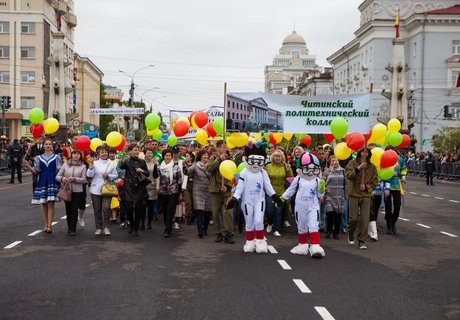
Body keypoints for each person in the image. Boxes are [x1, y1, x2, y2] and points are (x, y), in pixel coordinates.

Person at [227, 142, 281, 253]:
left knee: (258, 220)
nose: (256, 164)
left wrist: (274, 196)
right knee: (249, 222)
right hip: (247, 201)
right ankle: (250, 241)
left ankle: (260, 241)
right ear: (247, 159)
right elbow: (240, 187)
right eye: (253, 160)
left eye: (259, 161)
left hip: (259, 200)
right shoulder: (244, 172)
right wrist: (235, 198)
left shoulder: (263, 172)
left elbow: (268, 185)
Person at [280, 152, 326, 258]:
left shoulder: (318, 180)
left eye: (313, 169)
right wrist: (281, 199)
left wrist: (322, 189)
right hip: (300, 206)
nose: (310, 172)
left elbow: (320, 195)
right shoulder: (298, 179)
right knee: (302, 226)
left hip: (313, 206)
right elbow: (290, 190)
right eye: (307, 169)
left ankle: (315, 245)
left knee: (314, 225)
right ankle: (303, 245)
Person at [23, 137, 62, 233]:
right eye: (46, 144)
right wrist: (28, 166)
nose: (48, 146)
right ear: (43, 146)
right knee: (44, 203)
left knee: (50, 203)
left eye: (49, 144)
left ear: (52, 146)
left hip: (53, 181)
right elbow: (36, 171)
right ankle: (45, 224)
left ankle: (49, 226)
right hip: (43, 181)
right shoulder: (38, 158)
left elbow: (60, 170)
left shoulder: (57, 157)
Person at [345, 147, 378, 250]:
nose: (365, 154)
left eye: (367, 152)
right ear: (359, 153)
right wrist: (358, 169)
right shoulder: (352, 163)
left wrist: (367, 187)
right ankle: (351, 234)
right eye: (363, 151)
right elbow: (349, 176)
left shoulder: (372, 167)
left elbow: (375, 181)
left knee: (364, 220)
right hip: (353, 194)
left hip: (366, 195)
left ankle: (361, 241)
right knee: (353, 218)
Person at [207, 140, 235, 244]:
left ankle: (228, 233)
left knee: (227, 212)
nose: (224, 149)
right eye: (222, 147)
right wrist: (219, 159)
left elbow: (234, 176)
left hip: (226, 190)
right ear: (218, 148)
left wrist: (228, 187)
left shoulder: (230, 160)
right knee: (215, 212)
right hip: (215, 190)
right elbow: (209, 168)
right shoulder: (213, 158)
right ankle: (218, 233)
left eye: (225, 147)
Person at [87, 145, 118, 236]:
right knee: (97, 209)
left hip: (107, 189)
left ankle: (106, 227)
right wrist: (91, 166)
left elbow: (116, 175)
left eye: (105, 152)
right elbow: (89, 175)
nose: (104, 154)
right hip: (95, 189)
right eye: (102, 152)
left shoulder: (111, 163)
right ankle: (98, 227)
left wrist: (108, 176)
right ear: (98, 154)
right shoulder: (95, 163)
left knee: (106, 208)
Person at [62, 133, 92, 228]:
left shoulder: (84, 149)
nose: (77, 140)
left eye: (79, 139)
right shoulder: (66, 149)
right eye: (75, 139)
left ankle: (81, 216)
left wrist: (92, 165)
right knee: (70, 201)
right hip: (69, 178)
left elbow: (88, 160)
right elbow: (64, 161)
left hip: (80, 177)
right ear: (71, 140)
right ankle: (71, 224)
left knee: (82, 199)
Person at [120, 144, 150, 236]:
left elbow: (147, 173)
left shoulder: (142, 162)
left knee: (138, 209)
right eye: (135, 150)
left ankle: (136, 228)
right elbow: (121, 167)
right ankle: (131, 224)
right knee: (128, 208)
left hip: (140, 188)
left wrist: (142, 170)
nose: (137, 152)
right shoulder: (127, 161)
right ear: (130, 151)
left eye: (138, 150)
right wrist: (123, 159)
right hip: (129, 187)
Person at [55, 150, 87, 235]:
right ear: (71, 155)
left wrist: (75, 179)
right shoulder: (65, 165)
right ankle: (69, 227)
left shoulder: (83, 166)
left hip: (77, 191)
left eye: (78, 154)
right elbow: (57, 176)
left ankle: (73, 229)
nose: (76, 156)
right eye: (74, 154)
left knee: (74, 209)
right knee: (68, 209)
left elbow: (84, 179)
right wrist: (63, 179)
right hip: (67, 190)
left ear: (80, 156)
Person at [264, 149, 293, 237]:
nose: (277, 158)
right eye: (276, 156)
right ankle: (270, 223)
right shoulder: (268, 166)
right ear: (273, 157)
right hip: (270, 192)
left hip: (281, 192)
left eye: (279, 156)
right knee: (269, 211)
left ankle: (277, 229)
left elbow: (290, 178)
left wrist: (289, 170)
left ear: (282, 158)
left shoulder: (285, 166)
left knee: (278, 211)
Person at [185, 150, 212, 238]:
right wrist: (186, 165)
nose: (206, 157)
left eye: (207, 155)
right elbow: (187, 172)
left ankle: (205, 229)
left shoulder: (211, 166)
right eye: (204, 155)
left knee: (207, 211)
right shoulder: (195, 166)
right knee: (199, 211)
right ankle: (200, 230)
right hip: (198, 191)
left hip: (208, 191)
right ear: (200, 156)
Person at [158, 148, 182, 238]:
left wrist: (180, 193)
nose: (168, 157)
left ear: (171, 157)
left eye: (169, 156)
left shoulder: (176, 167)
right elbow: (157, 178)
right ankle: (168, 225)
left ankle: (167, 229)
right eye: (166, 156)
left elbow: (179, 180)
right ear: (163, 157)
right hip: (163, 191)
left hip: (174, 191)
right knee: (165, 209)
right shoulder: (159, 167)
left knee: (170, 209)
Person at [383, 147, 407, 235]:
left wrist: (403, 175)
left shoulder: (399, 159)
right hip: (387, 185)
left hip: (397, 185)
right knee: (388, 207)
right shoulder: (384, 160)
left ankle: (393, 222)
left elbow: (403, 169)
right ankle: (389, 226)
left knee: (397, 205)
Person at [322, 155, 346, 240]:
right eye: (332, 161)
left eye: (336, 161)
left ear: (338, 161)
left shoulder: (343, 171)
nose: (334, 162)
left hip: (340, 196)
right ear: (329, 162)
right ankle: (329, 230)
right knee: (330, 214)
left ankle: (336, 232)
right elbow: (322, 183)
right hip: (329, 196)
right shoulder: (326, 172)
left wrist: (346, 195)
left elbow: (346, 184)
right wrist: (324, 189)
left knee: (338, 215)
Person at [144, 147, 159, 229]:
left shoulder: (155, 162)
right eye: (148, 153)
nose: (149, 154)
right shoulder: (141, 162)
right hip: (143, 187)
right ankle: (142, 222)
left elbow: (157, 175)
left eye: (151, 153)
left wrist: (156, 165)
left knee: (151, 207)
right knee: (142, 206)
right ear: (145, 154)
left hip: (152, 186)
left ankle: (149, 223)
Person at [182, 151, 195, 225]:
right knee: (188, 202)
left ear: (191, 157)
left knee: (194, 201)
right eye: (185, 156)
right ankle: (188, 216)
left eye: (187, 156)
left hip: (194, 184)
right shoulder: (183, 164)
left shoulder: (195, 165)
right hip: (186, 185)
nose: (186, 157)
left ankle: (193, 215)